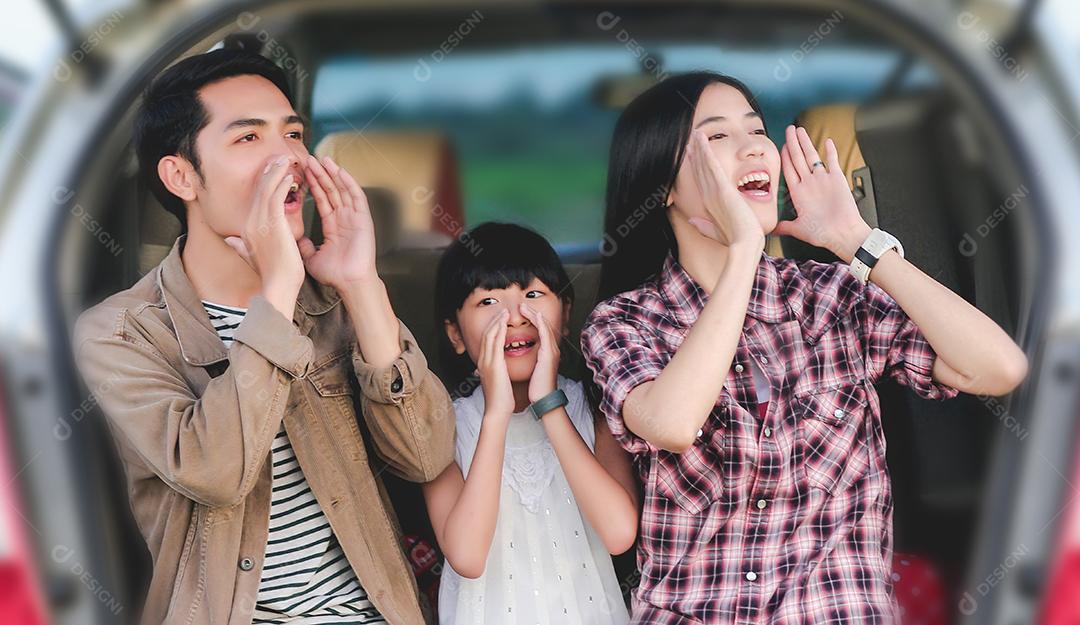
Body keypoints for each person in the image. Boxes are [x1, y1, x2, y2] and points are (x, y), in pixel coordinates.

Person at [580, 71, 1028, 623]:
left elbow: (998, 367)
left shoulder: (832, 296)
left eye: (757, 129)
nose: (753, 148)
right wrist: (746, 248)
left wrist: (858, 243)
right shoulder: (624, 321)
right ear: (664, 186)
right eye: (717, 137)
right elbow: (672, 423)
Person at [72, 49, 455, 625]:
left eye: (294, 134)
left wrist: (362, 285)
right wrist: (276, 289)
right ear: (181, 176)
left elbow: (425, 457)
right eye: (248, 139)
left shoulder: (332, 297)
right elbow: (217, 472)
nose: (289, 158)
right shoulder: (120, 332)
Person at [424, 222, 638, 624]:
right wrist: (496, 415)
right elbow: (467, 557)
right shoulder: (441, 428)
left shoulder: (595, 410)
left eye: (534, 294)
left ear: (567, 314)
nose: (515, 316)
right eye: (488, 301)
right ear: (454, 333)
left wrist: (549, 406)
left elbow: (619, 534)